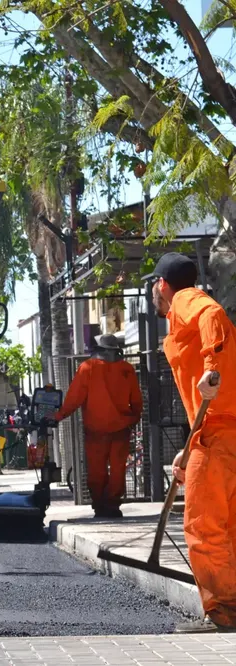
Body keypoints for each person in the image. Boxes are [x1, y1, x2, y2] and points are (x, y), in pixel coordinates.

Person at [147, 252, 236, 633]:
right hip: (216, 429)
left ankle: (224, 611)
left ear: (162, 285)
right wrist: (189, 445)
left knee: (202, 525)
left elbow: (213, 315)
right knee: (228, 525)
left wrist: (211, 369)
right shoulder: (179, 315)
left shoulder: (186, 299)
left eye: (154, 283)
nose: (153, 289)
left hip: (218, 430)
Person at [49, 333, 143, 518]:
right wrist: (133, 419)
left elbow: (74, 399)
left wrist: (58, 416)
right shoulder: (127, 369)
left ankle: (99, 505)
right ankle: (113, 505)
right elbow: (136, 400)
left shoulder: (87, 368)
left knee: (96, 470)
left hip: (95, 430)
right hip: (121, 429)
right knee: (118, 469)